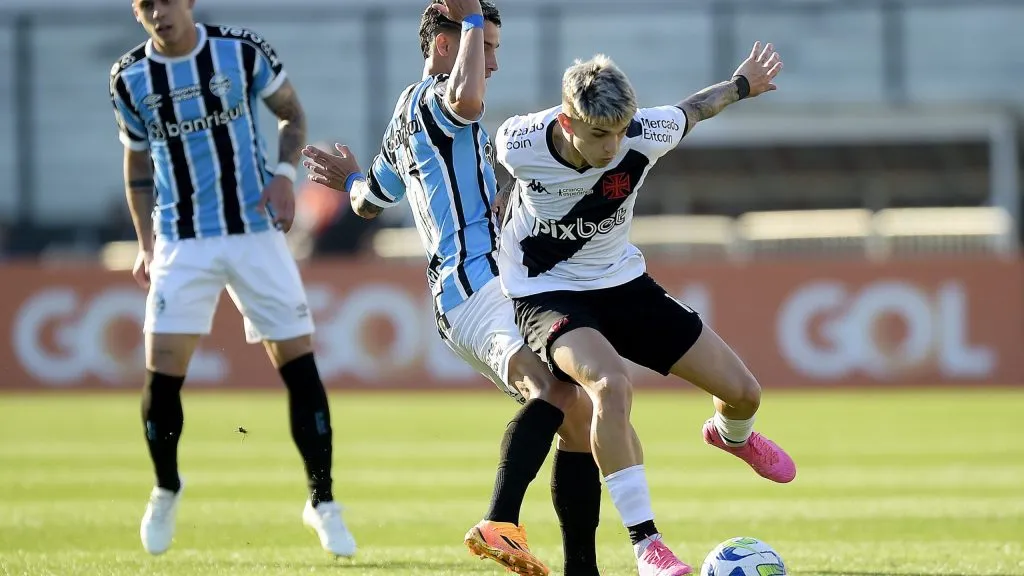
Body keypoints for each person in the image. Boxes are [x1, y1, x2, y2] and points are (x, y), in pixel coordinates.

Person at [301, 2, 617, 575]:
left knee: (575, 413)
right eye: (485, 45)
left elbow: (369, 202)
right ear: (444, 45)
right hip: (476, 288)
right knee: (556, 392)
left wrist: (349, 178)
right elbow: (467, 101)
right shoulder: (436, 101)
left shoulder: (406, 113)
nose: (492, 63)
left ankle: (581, 568)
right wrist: (472, 19)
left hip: (476, 290)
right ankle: (500, 520)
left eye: (493, 46)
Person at [494, 45, 797, 575]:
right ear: (567, 122)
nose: (612, 147)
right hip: (547, 293)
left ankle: (730, 436)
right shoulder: (520, 142)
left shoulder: (643, 133)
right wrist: (500, 197)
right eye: (597, 136)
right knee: (611, 385)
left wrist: (742, 84)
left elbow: (696, 108)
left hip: (625, 285)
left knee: (745, 392)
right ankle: (646, 545)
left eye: (620, 132)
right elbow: (479, 163)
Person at [108, 0, 354, 558]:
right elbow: (138, 162)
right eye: (146, 4)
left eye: (166, 1)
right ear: (136, 11)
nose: (158, 12)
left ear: (188, 1)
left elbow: (291, 113)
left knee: (300, 365)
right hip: (180, 240)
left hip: (253, 232)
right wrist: (145, 244)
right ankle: (167, 487)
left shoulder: (239, 51)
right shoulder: (128, 77)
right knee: (161, 378)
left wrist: (286, 175)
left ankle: (323, 502)